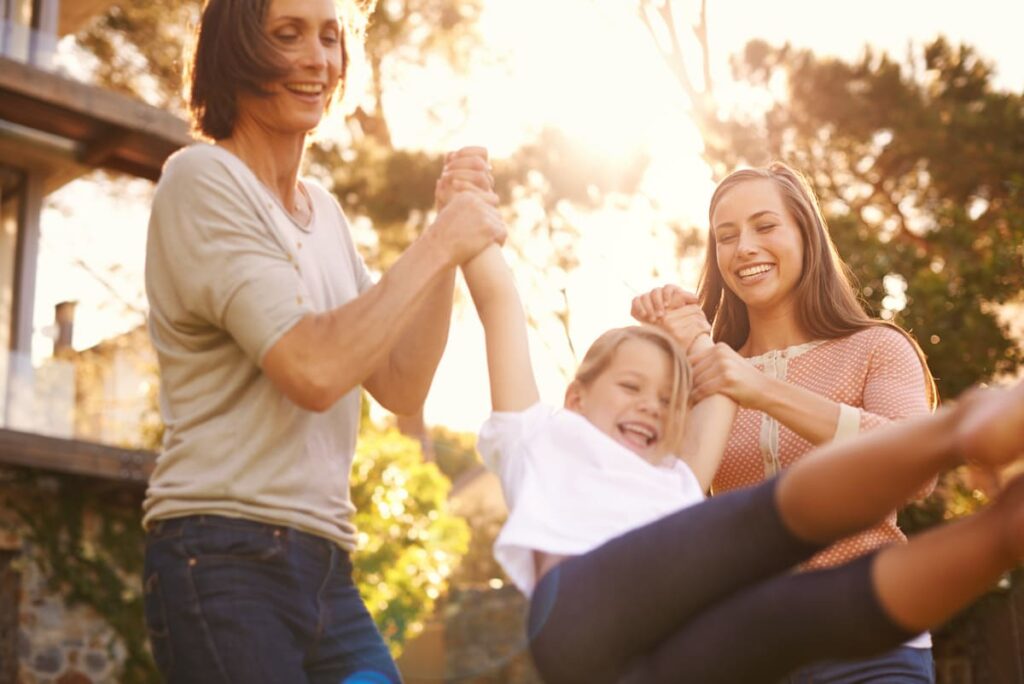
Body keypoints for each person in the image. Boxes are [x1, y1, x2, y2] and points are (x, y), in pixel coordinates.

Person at [460, 234, 1024, 684]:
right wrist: (470, 216)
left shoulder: (674, 479)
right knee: (758, 521)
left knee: (792, 611)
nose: (651, 407)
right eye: (631, 386)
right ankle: (962, 425)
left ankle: (1003, 530)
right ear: (576, 396)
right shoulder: (537, 439)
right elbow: (499, 305)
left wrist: (697, 335)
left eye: (666, 400)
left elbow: (724, 382)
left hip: (676, 663)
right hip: (582, 624)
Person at [141, 0, 503, 681]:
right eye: (288, 35)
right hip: (222, 558)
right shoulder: (202, 180)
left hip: (328, 570)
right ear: (236, 51)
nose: (318, 58)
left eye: (331, 37)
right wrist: (437, 243)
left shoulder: (327, 216)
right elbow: (312, 368)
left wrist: (446, 240)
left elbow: (401, 383)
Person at [632, 162, 938, 681]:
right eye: (725, 237)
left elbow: (917, 468)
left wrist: (761, 389)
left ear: (806, 235)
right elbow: (663, 508)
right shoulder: (702, 371)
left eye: (765, 226)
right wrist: (674, 352)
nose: (744, 247)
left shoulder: (877, 348)